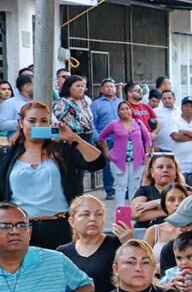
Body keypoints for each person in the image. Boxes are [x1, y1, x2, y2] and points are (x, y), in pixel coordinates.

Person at [0, 102, 106, 249]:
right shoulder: (7, 155)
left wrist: (73, 138)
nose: (38, 125)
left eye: (44, 121)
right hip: (20, 229)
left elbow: (97, 162)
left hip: (59, 227)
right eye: (31, 121)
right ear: (21, 123)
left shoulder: (62, 150)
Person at [57, 195, 132, 292]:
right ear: (72, 221)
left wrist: (129, 245)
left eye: (98, 214)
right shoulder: (62, 252)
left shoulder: (116, 244)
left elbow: (136, 277)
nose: (93, 219)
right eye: (85, 214)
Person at [98, 100, 152, 209]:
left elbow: (147, 140)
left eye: (127, 108)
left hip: (137, 160)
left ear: (131, 110)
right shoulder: (114, 124)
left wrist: (147, 154)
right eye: (122, 109)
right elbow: (101, 137)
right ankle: (121, 213)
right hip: (119, 160)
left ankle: (134, 211)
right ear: (118, 112)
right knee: (120, 186)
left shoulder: (138, 123)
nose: (125, 111)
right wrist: (107, 152)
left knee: (135, 186)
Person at [130, 153, 186, 229]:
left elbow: (188, 210)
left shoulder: (184, 190)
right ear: (152, 172)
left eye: (169, 167)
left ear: (176, 171)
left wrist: (156, 203)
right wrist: (168, 211)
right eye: (160, 167)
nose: (165, 170)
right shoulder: (144, 190)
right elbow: (135, 213)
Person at [89, 78, 124, 200]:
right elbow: (92, 123)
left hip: (121, 138)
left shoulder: (121, 103)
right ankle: (110, 191)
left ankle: (124, 189)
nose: (110, 88)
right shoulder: (96, 104)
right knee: (109, 165)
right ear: (102, 89)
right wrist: (97, 138)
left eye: (112, 86)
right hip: (106, 139)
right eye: (107, 86)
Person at [142, 183, 190, 258]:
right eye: (171, 200)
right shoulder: (153, 231)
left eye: (181, 199)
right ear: (164, 204)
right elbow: (143, 260)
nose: (177, 203)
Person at [168, 96, 192, 173]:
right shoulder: (174, 120)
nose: (188, 109)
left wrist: (185, 132)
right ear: (181, 108)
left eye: (191, 106)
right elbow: (176, 136)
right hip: (179, 161)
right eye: (186, 106)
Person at [52, 75, 94, 139]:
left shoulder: (85, 102)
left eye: (82, 86)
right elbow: (55, 123)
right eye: (77, 86)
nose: (81, 88)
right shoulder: (62, 103)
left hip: (88, 139)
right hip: (71, 140)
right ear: (69, 87)